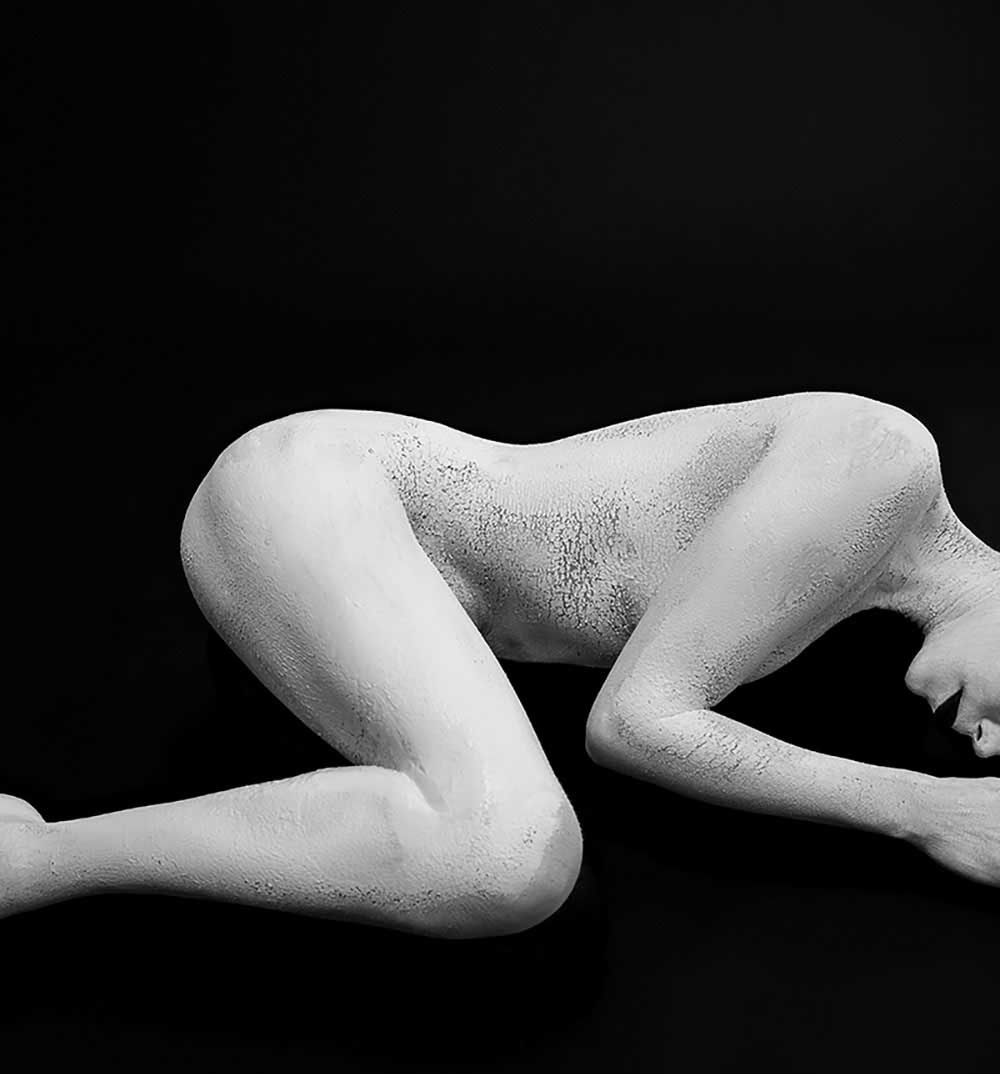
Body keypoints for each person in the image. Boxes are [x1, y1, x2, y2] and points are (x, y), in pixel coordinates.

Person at [4, 389, 1000, 934]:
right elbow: (639, 722)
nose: (987, 746)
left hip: (367, 555)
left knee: (496, 859)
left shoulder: (856, 577)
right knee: (505, 857)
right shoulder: (880, 462)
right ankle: (39, 860)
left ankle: (39, 855)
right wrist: (922, 809)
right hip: (322, 496)